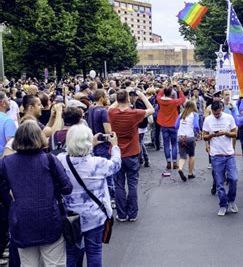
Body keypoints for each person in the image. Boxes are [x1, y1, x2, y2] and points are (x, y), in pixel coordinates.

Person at [0, 120, 73, 265]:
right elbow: (67, 188)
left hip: (21, 220)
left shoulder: (6, 163)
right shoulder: (49, 160)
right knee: (55, 263)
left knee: (28, 263)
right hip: (49, 218)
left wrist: (13, 203)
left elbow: (2, 189)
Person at [57, 124, 121, 267]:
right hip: (94, 215)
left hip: (70, 215)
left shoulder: (61, 161)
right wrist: (115, 146)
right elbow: (116, 164)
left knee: (71, 252)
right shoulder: (98, 163)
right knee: (94, 251)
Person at [109, 89, 154, 222]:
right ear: (129, 100)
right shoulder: (134, 113)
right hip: (132, 153)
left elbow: (111, 106)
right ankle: (133, 213)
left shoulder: (112, 113)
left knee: (118, 185)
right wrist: (142, 96)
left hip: (117, 152)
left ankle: (121, 214)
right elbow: (151, 110)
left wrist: (121, 97)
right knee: (133, 184)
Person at [202, 101, 238, 216]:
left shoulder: (229, 117)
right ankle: (223, 205)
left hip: (229, 154)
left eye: (218, 113)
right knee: (219, 183)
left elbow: (235, 134)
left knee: (233, 179)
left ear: (222, 109)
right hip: (216, 155)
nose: (216, 116)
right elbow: (204, 136)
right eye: (214, 113)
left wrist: (226, 133)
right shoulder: (208, 120)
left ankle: (231, 200)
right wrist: (212, 135)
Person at [156, 82, 186, 169]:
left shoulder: (160, 101)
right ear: (171, 94)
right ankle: (174, 162)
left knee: (166, 144)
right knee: (174, 144)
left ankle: (168, 161)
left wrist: (165, 87)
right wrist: (179, 89)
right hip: (173, 124)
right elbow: (183, 99)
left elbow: (158, 94)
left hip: (164, 124)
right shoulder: (174, 102)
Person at [175, 100, 200, 181]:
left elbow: (176, 126)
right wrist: (198, 132)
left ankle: (180, 168)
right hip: (189, 137)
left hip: (180, 137)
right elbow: (196, 126)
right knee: (191, 155)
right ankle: (190, 173)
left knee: (182, 156)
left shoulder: (181, 114)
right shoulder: (195, 114)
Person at [0, 91, 17, 156]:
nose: (9, 102)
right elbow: (11, 145)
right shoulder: (8, 121)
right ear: (3, 103)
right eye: (8, 100)